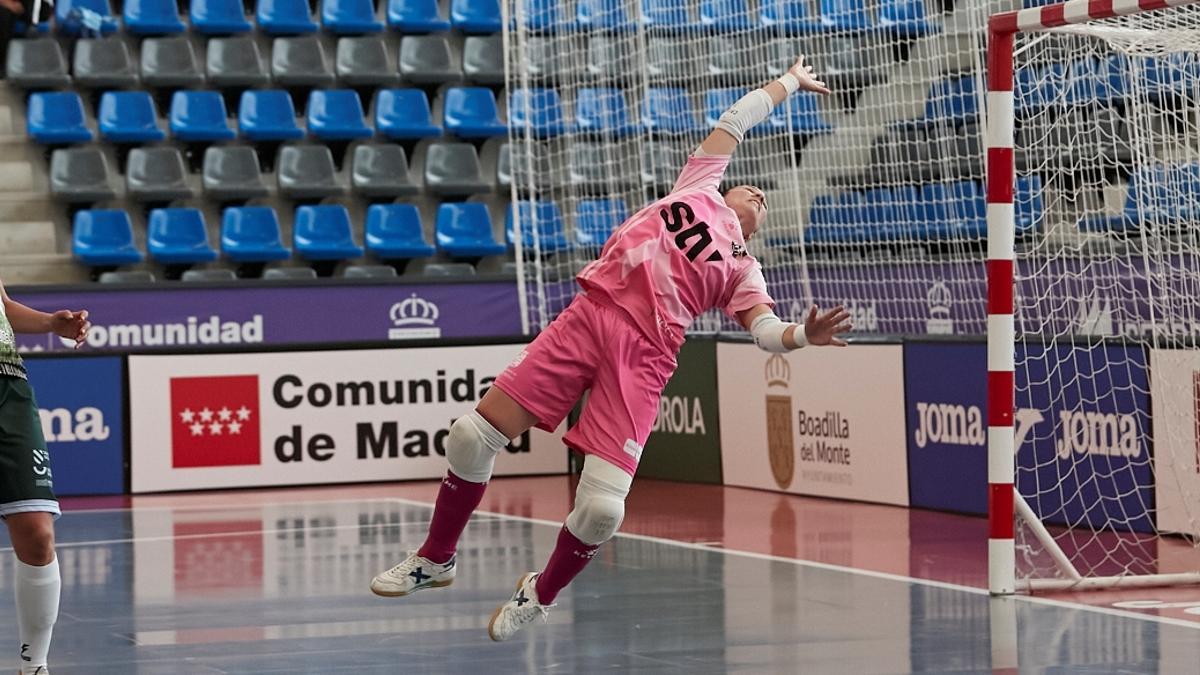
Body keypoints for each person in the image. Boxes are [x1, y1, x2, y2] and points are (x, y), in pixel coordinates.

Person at [371, 55, 851, 642]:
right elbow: (736, 118)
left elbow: (766, 332)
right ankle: (435, 558)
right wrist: (789, 84)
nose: (757, 194)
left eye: (765, 202)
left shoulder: (743, 269)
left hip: (644, 357)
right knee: (470, 436)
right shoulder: (698, 184)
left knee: (602, 511)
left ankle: (539, 593)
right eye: (752, 187)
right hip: (589, 316)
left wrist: (805, 337)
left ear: (755, 228)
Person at [0, 278, 89, 675]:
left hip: (8, 387)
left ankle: (33, 665)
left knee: (37, 534)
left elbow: (2, 306)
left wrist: (52, 324)